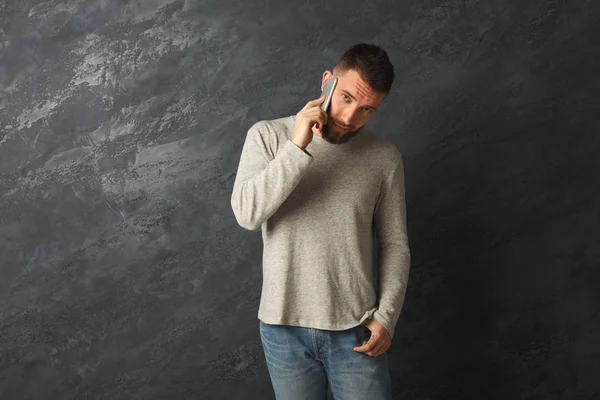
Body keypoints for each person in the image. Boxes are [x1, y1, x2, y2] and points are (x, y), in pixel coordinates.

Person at [230, 43, 411, 400]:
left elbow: (395, 244)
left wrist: (386, 316)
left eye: (366, 109)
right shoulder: (267, 137)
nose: (349, 116)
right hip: (283, 330)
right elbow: (247, 214)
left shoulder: (384, 158)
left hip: (356, 330)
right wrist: (297, 147)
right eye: (345, 97)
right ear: (327, 81)